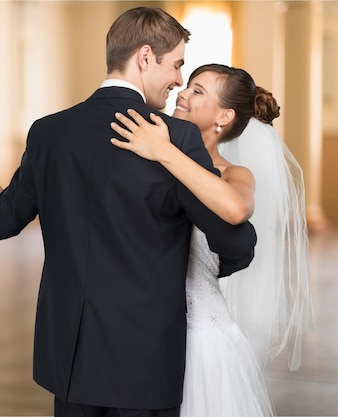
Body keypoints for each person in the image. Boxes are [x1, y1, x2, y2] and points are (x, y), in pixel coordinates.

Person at [0, 8, 258, 417]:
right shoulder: (175, 138)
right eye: (176, 65)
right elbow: (235, 239)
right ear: (145, 58)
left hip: (69, 357)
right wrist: (213, 266)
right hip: (143, 358)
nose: (178, 80)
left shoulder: (48, 131)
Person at [110, 63, 312, 416]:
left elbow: (235, 211)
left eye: (198, 91)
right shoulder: (146, 155)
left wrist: (164, 152)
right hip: (141, 329)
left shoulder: (235, 174)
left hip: (201, 337)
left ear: (224, 116)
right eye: (187, 85)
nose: (183, 93)